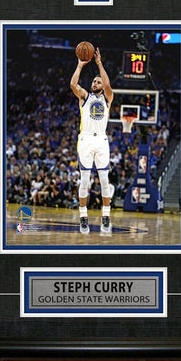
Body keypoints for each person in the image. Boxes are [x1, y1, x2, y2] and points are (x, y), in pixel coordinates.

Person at [69, 44, 115, 235]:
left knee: (104, 180)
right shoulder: (85, 97)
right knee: (85, 180)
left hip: (101, 140)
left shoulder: (107, 98)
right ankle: (83, 216)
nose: (95, 83)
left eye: (98, 82)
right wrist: (80, 66)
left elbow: (108, 85)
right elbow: (73, 85)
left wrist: (99, 64)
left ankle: (106, 215)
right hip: (86, 140)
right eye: (94, 81)